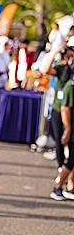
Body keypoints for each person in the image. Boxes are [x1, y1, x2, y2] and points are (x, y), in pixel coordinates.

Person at [50, 73, 74, 201]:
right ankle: (58, 187)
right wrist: (68, 129)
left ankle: (70, 186)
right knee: (71, 161)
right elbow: (64, 109)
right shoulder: (70, 86)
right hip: (72, 130)